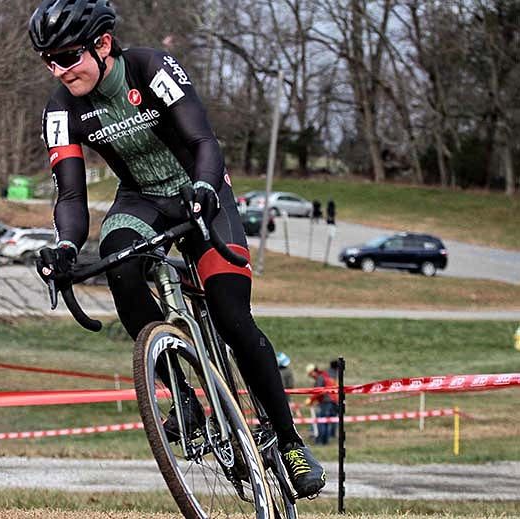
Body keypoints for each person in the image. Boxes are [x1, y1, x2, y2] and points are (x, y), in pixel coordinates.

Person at [29, 0, 324, 498]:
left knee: (233, 319)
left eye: (69, 56)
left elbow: (205, 140)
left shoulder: (150, 68)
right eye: (49, 61)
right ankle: (181, 395)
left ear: (103, 45)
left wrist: (206, 188)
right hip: (141, 200)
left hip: (200, 191)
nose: (60, 70)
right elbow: (72, 195)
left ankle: (289, 440)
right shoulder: (61, 108)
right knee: (120, 262)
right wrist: (63, 245)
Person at [305, 364, 339, 445]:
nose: (311, 376)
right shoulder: (325, 376)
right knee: (326, 421)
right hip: (333, 401)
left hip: (326, 401)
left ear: (313, 372)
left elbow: (319, 391)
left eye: (310, 374)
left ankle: (320, 441)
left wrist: (311, 399)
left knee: (321, 421)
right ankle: (325, 441)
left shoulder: (320, 378)